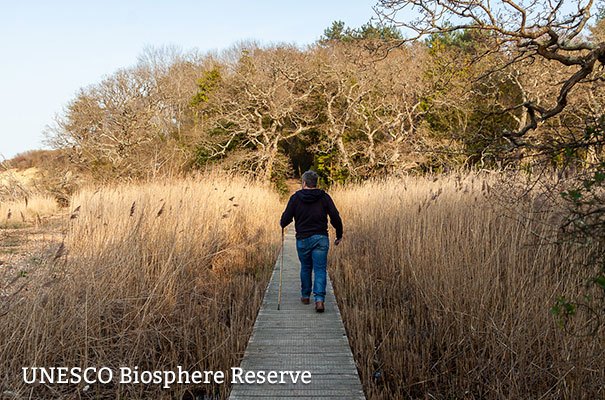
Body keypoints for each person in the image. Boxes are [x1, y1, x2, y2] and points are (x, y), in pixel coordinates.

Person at [280, 170, 343, 313]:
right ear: (316, 183)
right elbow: (335, 217)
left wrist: (282, 222)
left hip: (303, 239)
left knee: (306, 267)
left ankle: (305, 296)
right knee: (320, 269)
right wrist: (339, 234)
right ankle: (319, 300)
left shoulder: (295, 198)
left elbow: (286, 220)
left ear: (303, 183)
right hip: (321, 238)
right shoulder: (324, 197)